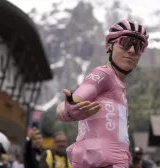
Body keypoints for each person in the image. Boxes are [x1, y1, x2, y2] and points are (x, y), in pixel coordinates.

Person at [56, 20, 149, 168]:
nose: (131, 50)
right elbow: (75, 99)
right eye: (125, 43)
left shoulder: (120, 86)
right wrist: (68, 109)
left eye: (139, 46)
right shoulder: (104, 74)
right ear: (109, 46)